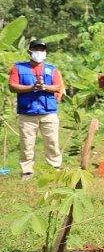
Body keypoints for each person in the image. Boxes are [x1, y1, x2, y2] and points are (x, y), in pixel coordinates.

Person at [8, 39, 63, 181]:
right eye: (36, 49)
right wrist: (31, 88)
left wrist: (44, 87)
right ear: (29, 52)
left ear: (45, 53)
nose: (39, 52)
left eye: (42, 50)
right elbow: (12, 86)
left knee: (52, 142)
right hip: (27, 113)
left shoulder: (52, 69)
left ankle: (55, 169)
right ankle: (27, 172)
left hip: (48, 112)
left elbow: (58, 87)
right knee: (27, 144)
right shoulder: (18, 68)